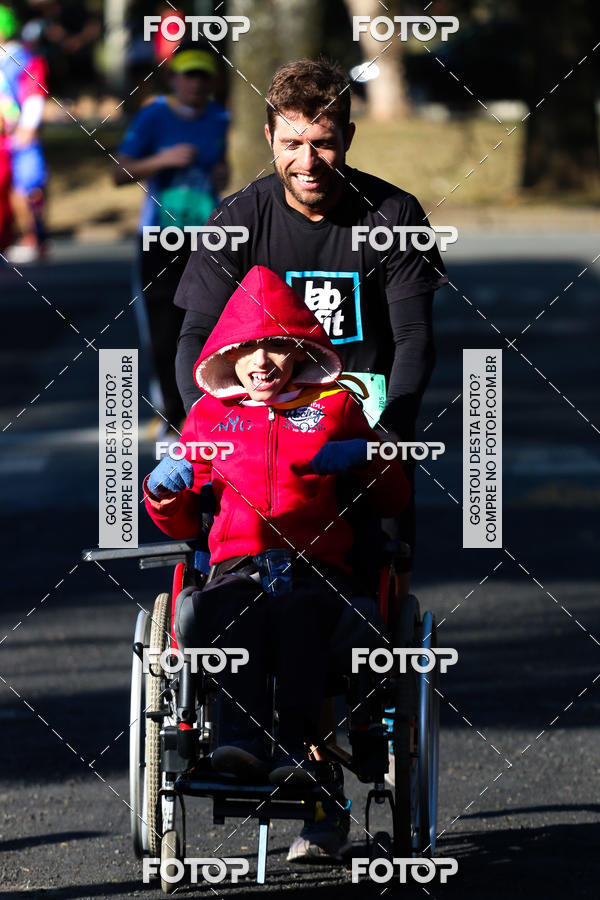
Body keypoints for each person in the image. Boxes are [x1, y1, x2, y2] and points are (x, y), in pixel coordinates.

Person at [172, 57, 448, 861]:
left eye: (323, 142)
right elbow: (193, 339)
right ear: (268, 137)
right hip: (255, 429)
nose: (307, 161)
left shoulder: (390, 213)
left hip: (350, 432)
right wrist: (209, 435)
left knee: (347, 589)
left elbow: (416, 343)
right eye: (291, 142)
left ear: (348, 137)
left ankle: (337, 755)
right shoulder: (240, 216)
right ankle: (297, 776)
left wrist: (385, 432)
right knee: (248, 582)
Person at [144, 265, 409, 856]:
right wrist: (164, 495)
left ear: (297, 348)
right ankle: (238, 740)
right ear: (226, 358)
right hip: (237, 566)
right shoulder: (209, 418)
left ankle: (294, 746)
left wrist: (370, 456)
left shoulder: (337, 406)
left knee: (297, 614)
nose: (260, 362)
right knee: (228, 609)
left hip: (318, 566)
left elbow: (392, 498)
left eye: (274, 346)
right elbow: (186, 524)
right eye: (246, 350)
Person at [114, 39, 229, 437]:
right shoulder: (154, 116)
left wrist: (221, 177)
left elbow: (222, 170)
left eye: (202, 77)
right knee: (163, 331)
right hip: (159, 239)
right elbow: (118, 172)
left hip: (207, 238)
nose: (195, 85)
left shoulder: (220, 118)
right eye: (188, 76)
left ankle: (207, 414)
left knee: (210, 327)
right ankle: (171, 418)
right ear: (174, 79)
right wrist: (162, 160)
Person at [0, 4, 49, 263]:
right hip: (3, 138)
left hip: (21, 135)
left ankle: (35, 238)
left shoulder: (24, 57)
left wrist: (29, 125)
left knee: (26, 188)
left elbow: (34, 90)